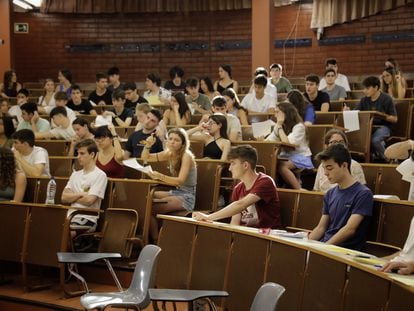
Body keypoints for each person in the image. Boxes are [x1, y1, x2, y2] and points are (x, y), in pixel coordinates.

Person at [192, 145, 281, 229]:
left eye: (233, 163)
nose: (230, 168)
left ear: (245, 165)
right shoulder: (238, 188)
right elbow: (235, 222)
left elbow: (240, 205)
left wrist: (209, 217)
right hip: (248, 236)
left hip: (267, 235)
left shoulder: (265, 182)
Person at [308, 144, 373, 251]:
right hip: (326, 246)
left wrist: (324, 248)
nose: (325, 173)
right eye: (324, 168)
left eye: (329, 168)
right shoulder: (330, 194)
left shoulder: (363, 193)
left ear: (344, 165)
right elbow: (321, 228)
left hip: (345, 250)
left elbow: (350, 229)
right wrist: (306, 245)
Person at [142, 128, 197, 241]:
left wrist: (160, 176)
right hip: (177, 192)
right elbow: (145, 157)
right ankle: (152, 237)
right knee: (147, 197)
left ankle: (156, 240)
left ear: (183, 144)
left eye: (176, 140)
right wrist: (148, 145)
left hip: (187, 196)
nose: (172, 142)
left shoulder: (186, 156)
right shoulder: (170, 153)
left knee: (150, 210)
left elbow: (180, 181)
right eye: (170, 138)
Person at [62, 139, 108, 233]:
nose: (78, 157)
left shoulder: (100, 175)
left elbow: (89, 201)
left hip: (87, 219)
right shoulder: (75, 174)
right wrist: (81, 194)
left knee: (65, 234)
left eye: (82, 153)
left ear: (92, 155)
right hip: (69, 217)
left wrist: (72, 196)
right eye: (78, 153)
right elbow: (63, 197)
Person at [265, 102, 313, 189]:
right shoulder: (279, 126)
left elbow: (288, 143)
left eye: (277, 112)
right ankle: (274, 187)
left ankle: (299, 189)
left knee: (282, 166)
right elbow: (270, 140)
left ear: (286, 113)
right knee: (270, 161)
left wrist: (279, 126)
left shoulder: (299, 127)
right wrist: (262, 141)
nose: (275, 116)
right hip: (286, 156)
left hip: (301, 156)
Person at [354, 76, 397, 162]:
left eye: (367, 88)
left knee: (376, 140)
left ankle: (389, 159)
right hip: (368, 126)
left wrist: (382, 116)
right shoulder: (364, 100)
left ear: (376, 87)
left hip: (384, 127)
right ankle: (368, 159)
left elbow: (395, 119)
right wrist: (348, 111)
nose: (364, 91)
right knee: (357, 138)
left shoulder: (387, 99)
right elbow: (356, 112)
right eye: (364, 88)